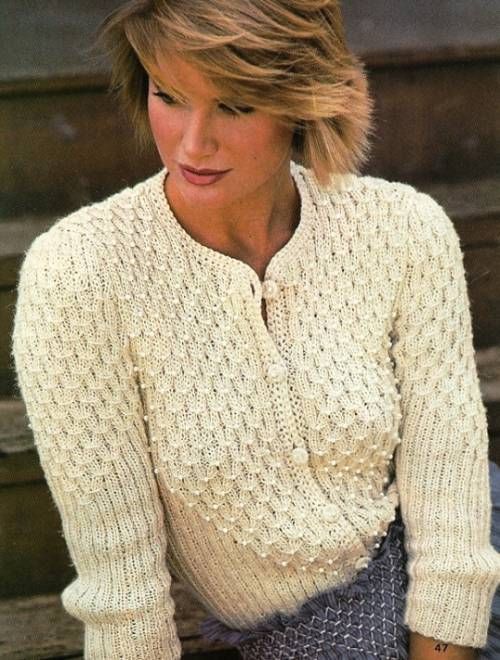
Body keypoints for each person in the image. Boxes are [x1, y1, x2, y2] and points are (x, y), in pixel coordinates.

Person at [10, 1, 500, 659]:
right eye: (169, 96)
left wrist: (444, 642)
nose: (193, 143)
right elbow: (122, 595)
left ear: (302, 102)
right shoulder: (81, 272)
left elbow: (449, 473)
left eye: (235, 106)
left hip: (466, 550)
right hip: (313, 633)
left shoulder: (404, 230)